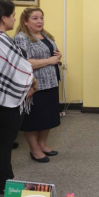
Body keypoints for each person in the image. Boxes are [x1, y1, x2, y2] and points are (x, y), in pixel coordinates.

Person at [0, 0, 37, 197]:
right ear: (3, 18)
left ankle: (4, 183)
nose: (14, 19)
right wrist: (30, 85)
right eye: (12, 15)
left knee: (1, 143)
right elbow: (20, 67)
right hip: (5, 99)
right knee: (4, 144)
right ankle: (4, 187)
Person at [14, 8, 61, 163]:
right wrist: (49, 61)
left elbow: (51, 52)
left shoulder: (45, 35)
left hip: (51, 81)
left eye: (41, 17)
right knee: (34, 119)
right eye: (35, 18)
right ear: (25, 21)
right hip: (35, 84)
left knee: (48, 116)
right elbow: (23, 62)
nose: (39, 21)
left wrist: (57, 55)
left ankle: (42, 145)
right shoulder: (21, 38)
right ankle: (34, 150)